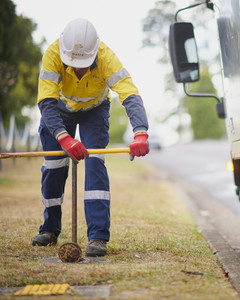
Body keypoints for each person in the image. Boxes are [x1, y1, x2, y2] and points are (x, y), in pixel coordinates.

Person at [32, 18, 149, 257]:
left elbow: (130, 94)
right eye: (73, 63)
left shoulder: (107, 57)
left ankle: (97, 237)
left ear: (95, 52)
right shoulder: (53, 54)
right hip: (59, 111)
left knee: (95, 163)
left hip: (95, 111)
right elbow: (46, 101)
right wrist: (64, 138)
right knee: (54, 167)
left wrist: (140, 132)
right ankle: (50, 229)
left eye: (84, 63)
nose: (79, 68)